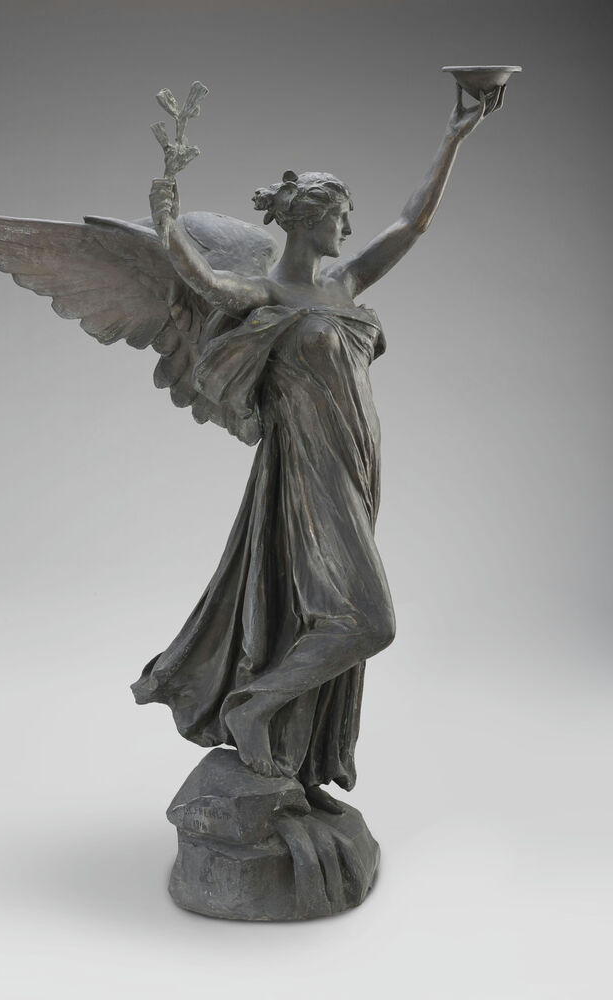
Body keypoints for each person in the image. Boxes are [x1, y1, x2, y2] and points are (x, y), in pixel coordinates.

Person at [132, 85, 497, 812]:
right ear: (306, 221)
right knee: (368, 620)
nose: (349, 227)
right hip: (309, 474)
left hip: (357, 468)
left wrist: (455, 135)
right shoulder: (262, 295)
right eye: (339, 215)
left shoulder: (343, 282)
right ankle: (255, 706)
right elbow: (203, 280)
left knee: (315, 615)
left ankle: (295, 766)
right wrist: (167, 223)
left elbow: (412, 223)